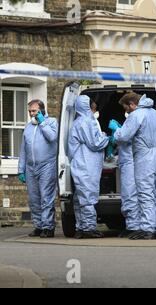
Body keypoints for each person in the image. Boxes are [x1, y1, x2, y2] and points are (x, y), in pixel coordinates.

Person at [109, 92, 156, 240]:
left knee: (145, 193)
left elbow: (123, 136)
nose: (127, 112)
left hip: (145, 157)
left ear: (132, 104)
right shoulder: (155, 113)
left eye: (126, 108)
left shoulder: (137, 115)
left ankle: (147, 228)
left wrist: (116, 132)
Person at [68, 95, 110, 239]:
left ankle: (81, 227)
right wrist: (106, 136)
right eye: (93, 106)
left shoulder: (79, 121)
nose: (95, 109)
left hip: (82, 164)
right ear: (88, 106)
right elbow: (95, 143)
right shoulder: (86, 122)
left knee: (80, 198)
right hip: (86, 165)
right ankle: (88, 228)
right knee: (87, 197)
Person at [18, 100, 58, 238]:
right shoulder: (28, 127)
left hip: (47, 165)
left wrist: (43, 123)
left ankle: (48, 227)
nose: (31, 114)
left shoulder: (51, 122)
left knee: (46, 197)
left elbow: (52, 137)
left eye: (34, 111)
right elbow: (23, 150)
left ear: (41, 110)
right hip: (30, 167)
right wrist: (20, 169)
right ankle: (39, 226)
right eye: (30, 111)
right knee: (34, 199)